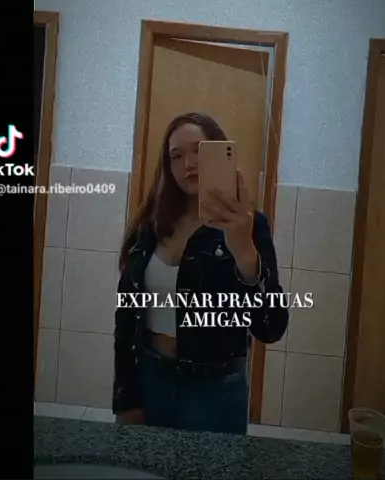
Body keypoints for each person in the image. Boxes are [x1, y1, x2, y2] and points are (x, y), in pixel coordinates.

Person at [113, 112, 288, 434]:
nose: (189, 164)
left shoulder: (249, 225)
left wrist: (245, 253)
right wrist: (125, 397)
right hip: (150, 378)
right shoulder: (152, 224)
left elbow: (271, 327)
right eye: (176, 156)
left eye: (199, 151)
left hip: (215, 391)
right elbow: (126, 316)